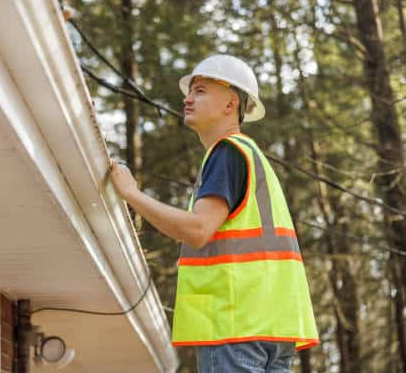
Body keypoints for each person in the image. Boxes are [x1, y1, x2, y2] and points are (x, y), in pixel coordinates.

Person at [109, 54, 319, 372]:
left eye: (201, 90)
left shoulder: (227, 152)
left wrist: (131, 194)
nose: (188, 98)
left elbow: (198, 229)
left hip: (235, 326)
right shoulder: (252, 157)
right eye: (190, 91)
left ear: (230, 103)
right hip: (273, 329)